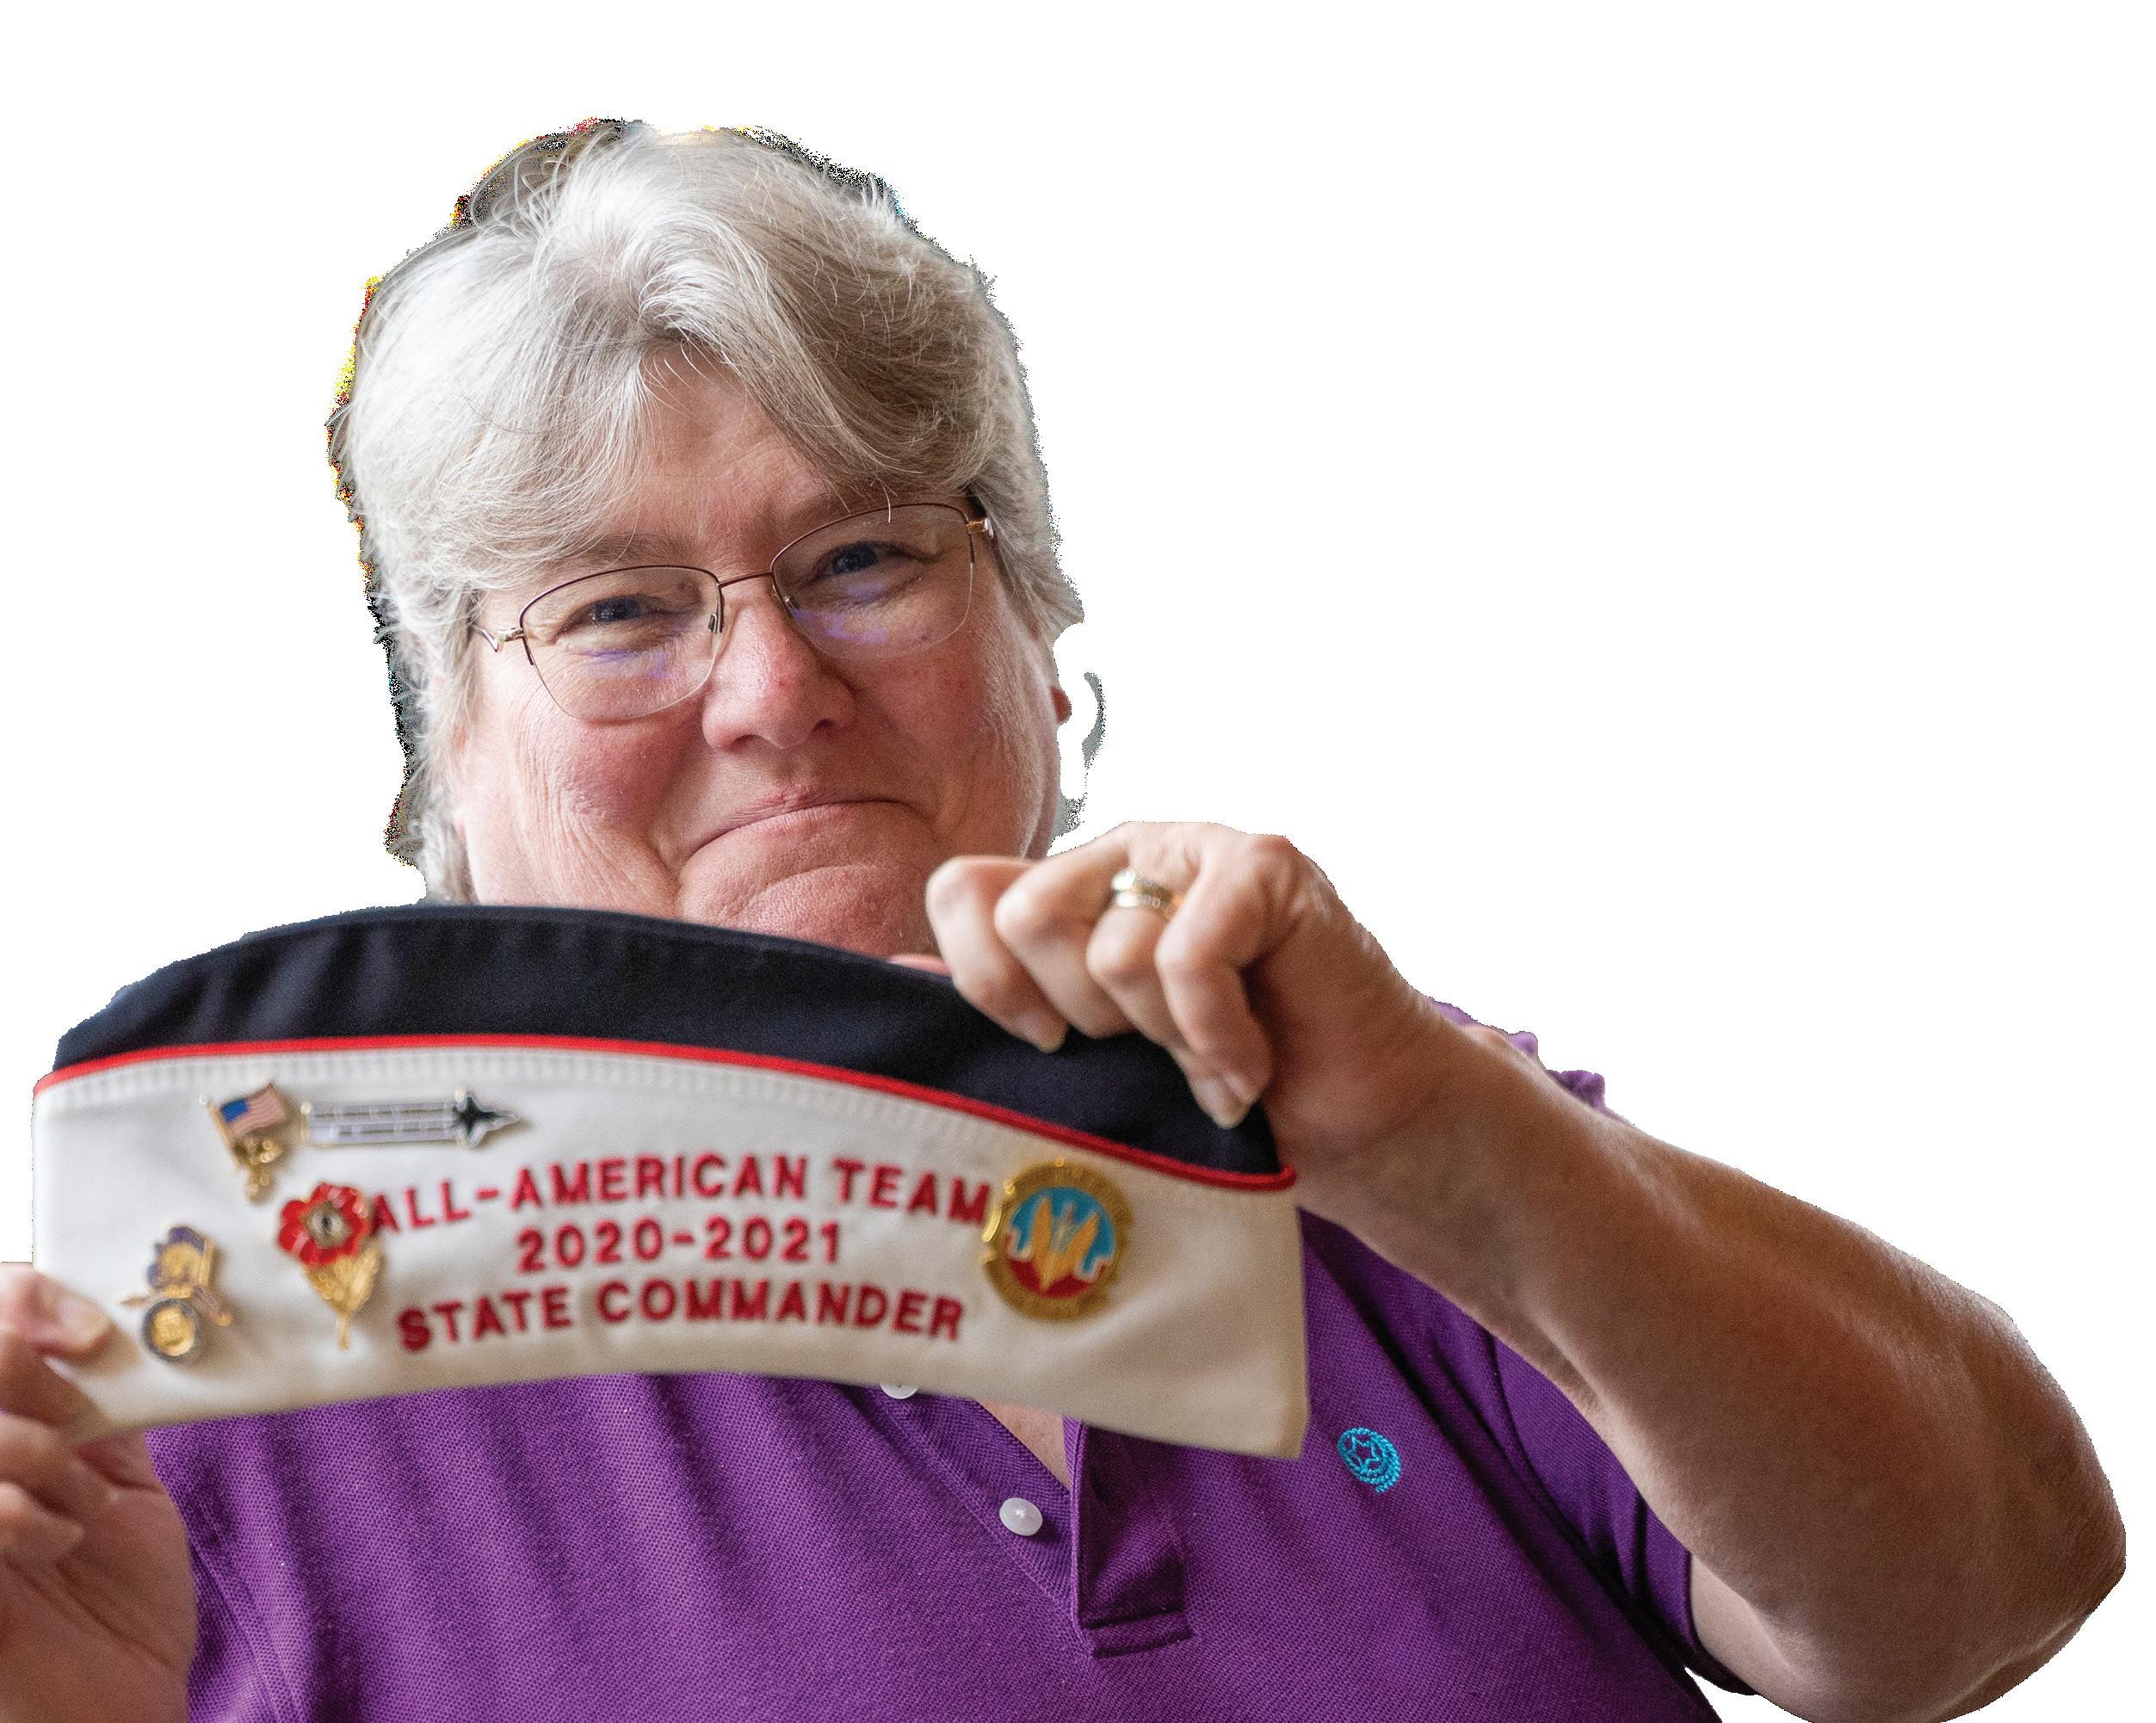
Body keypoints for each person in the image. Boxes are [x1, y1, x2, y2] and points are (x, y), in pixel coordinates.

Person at [0, 120, 2123, 1722]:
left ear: (1033, 632)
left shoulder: (1363, 1126)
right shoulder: (202, 1405)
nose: (772, 690)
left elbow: (1990, 1588)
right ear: (447, 754)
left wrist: (1453, 1141)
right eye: (620, 610)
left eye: (863, 558)